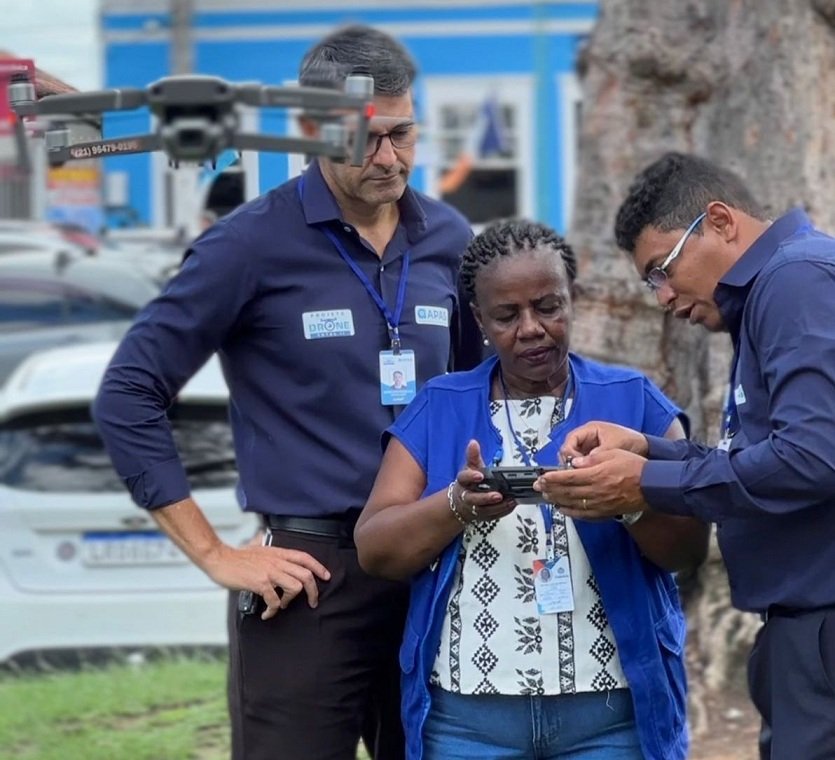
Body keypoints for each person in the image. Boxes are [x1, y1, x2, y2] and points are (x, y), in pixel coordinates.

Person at [92, 24, 478, 760]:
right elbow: (128, 394)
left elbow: (470, 396)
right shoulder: (248, 245)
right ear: (308, 129)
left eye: (402, 134)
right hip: (307, 583)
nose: (388, 157)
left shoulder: (448, 239)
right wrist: (212, 553)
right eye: (365, 139)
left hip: (432, 566)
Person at [354, 219, 709, 760]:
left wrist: (629, 504)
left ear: (574, 300)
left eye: (548, 306)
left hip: (611, 716)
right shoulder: (440, 405)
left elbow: (688, 550)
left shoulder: (633, 400)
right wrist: (456, 505)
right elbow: (374, 548)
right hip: (469, 722)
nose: (531, 328)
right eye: (506, 315)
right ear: (478, 320)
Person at [536, 152, 835, 760]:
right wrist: (651, 450)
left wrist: (648, 483)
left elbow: (811, 458)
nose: (664, 298)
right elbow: (769, 454)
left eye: (662, 270)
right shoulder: (777, 288)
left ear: (721, 222)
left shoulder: (795, 280)